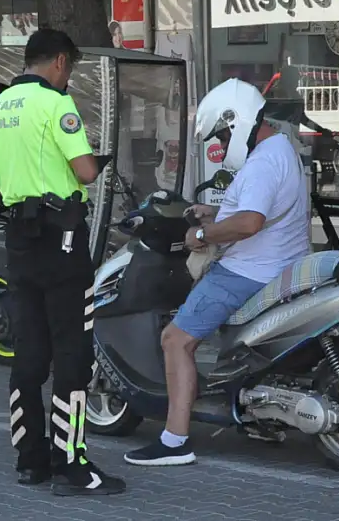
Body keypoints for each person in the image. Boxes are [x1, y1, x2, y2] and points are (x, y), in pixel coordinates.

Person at [123, 78, 311, 467]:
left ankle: (174, 440)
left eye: (223, 137)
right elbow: (261, 212)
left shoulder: (261, 162)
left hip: (248, 271)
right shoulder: (281, 148)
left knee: (175, 339)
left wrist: (201, 234)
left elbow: (249, 224)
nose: (223, 147)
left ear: (236, 121)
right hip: (283, 262)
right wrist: (214, 213)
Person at [0, 28, 126, 496]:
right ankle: (73, 465)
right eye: (71, 69)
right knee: (73, 356)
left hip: (19, 243)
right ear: (60, 62)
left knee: (29, 354)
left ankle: (30, 461)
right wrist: (96, 162)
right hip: (62, 240)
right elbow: (83, 171)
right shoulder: (56, 105)